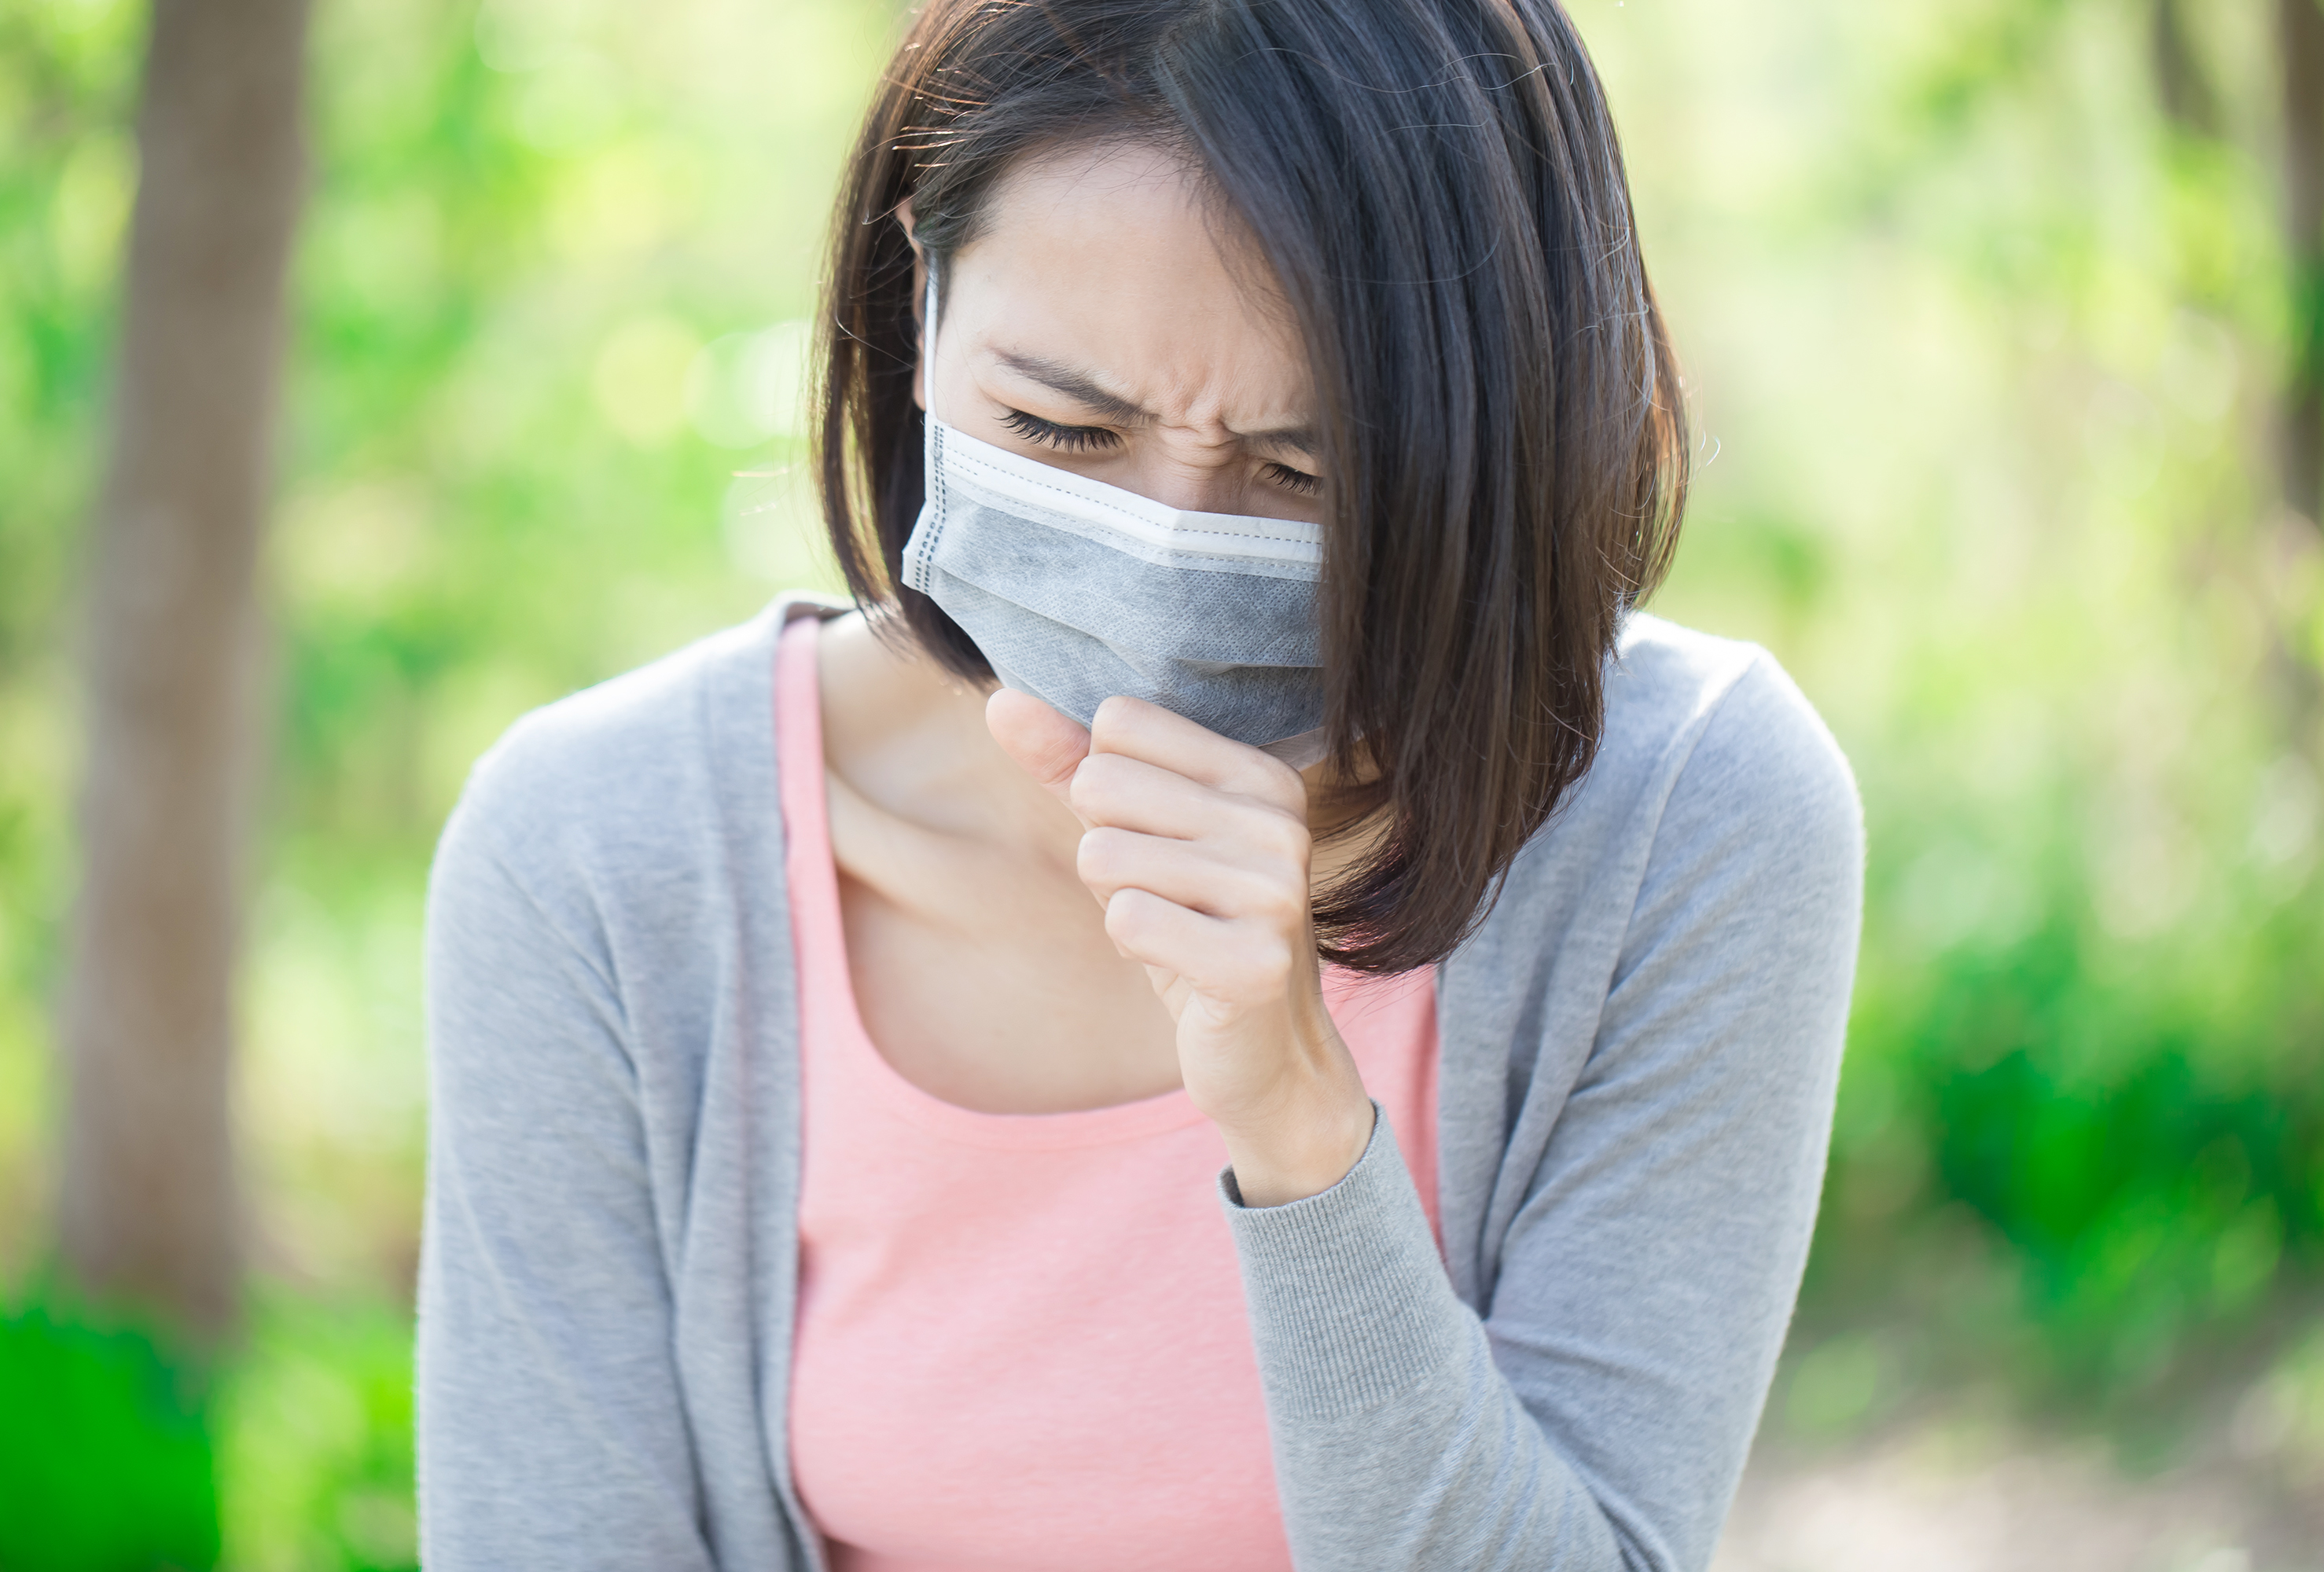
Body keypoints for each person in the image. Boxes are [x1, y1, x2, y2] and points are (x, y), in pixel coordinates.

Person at [415, 1, 1864, 1567]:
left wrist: (1304, 1130)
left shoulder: (1688, 818)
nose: (1170, 548)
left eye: (1305, 472)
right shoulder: (596, 854)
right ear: (919, 297)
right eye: (1058, 425)